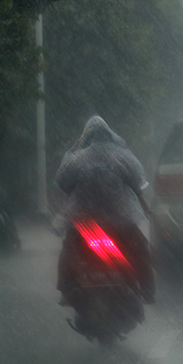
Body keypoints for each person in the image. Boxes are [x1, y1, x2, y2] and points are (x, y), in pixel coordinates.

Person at [55, 116, 154, 303]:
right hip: (120, 222)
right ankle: (148, 291)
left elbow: (63, 183)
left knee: (68, 247)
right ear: (111, 135)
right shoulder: (123, 156)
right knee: (141, 248)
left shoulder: (77, 158)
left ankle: (65, 289)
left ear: (85, 138)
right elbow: (138, 183)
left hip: (84, 224)